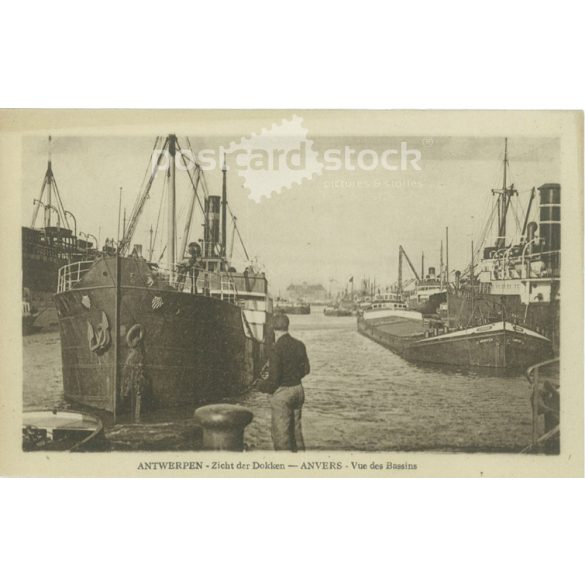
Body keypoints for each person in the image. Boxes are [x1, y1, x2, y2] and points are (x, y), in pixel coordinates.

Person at [255, 312, 310, 451]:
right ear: (287, 326)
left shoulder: (276, 348)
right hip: (298, 390)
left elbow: (273, 381)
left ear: (273, 329)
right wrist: (293, 377)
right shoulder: (300, 345)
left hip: (283, 395)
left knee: (282, 439)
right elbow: (306, 370)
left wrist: (259, 385)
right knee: (296, 434)